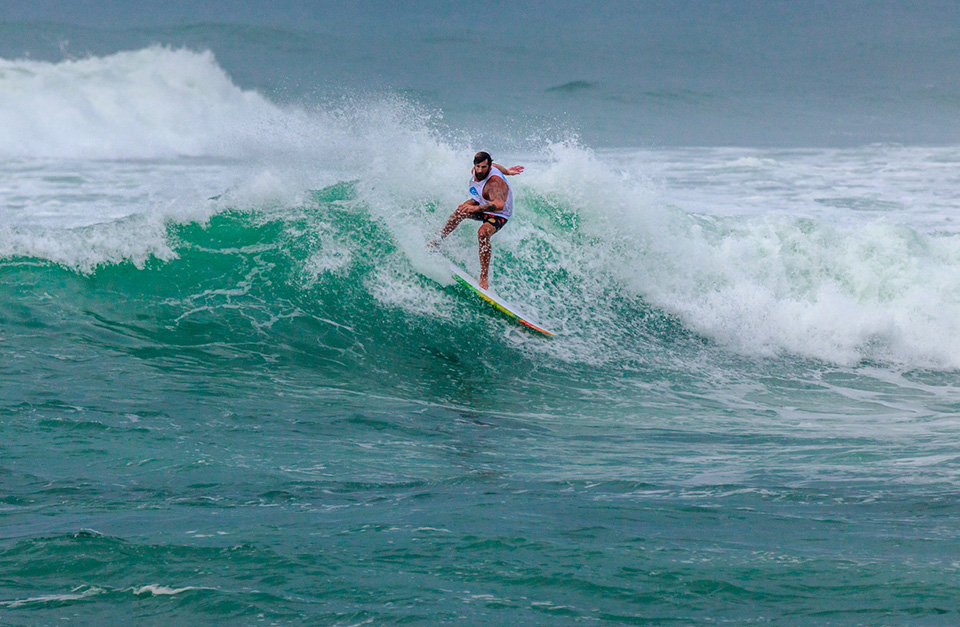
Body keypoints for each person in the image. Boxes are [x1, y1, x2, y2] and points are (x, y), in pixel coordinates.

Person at [432, 151, 523, 289]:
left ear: (489, 166)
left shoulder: (495, 183)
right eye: (477, 166)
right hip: (481, 201)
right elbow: (497, 166)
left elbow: (499, 205)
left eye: (484, 167)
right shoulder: (477, 170)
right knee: (459, 212)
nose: (480, 170)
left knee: (483, 233)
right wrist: (508, 172)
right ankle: (437, 241)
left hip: (499, 213)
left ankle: (484, 277)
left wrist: (475, 209)